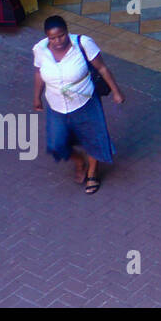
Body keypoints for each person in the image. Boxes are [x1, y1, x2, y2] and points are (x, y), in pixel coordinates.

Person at [32, 16, 125, 195]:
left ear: (67, 32)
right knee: (56, 144)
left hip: (85, 101)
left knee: (94, 138)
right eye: (52, 38)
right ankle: (78, 160)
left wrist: (116, 92)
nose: (57, 41)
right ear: (46, 37)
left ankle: (92, 173)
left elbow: (102, 68)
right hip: (56, 105)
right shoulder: (39, 49)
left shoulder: (83, 44)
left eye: (61, 36)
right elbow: (38, 73)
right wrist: (37, 97)